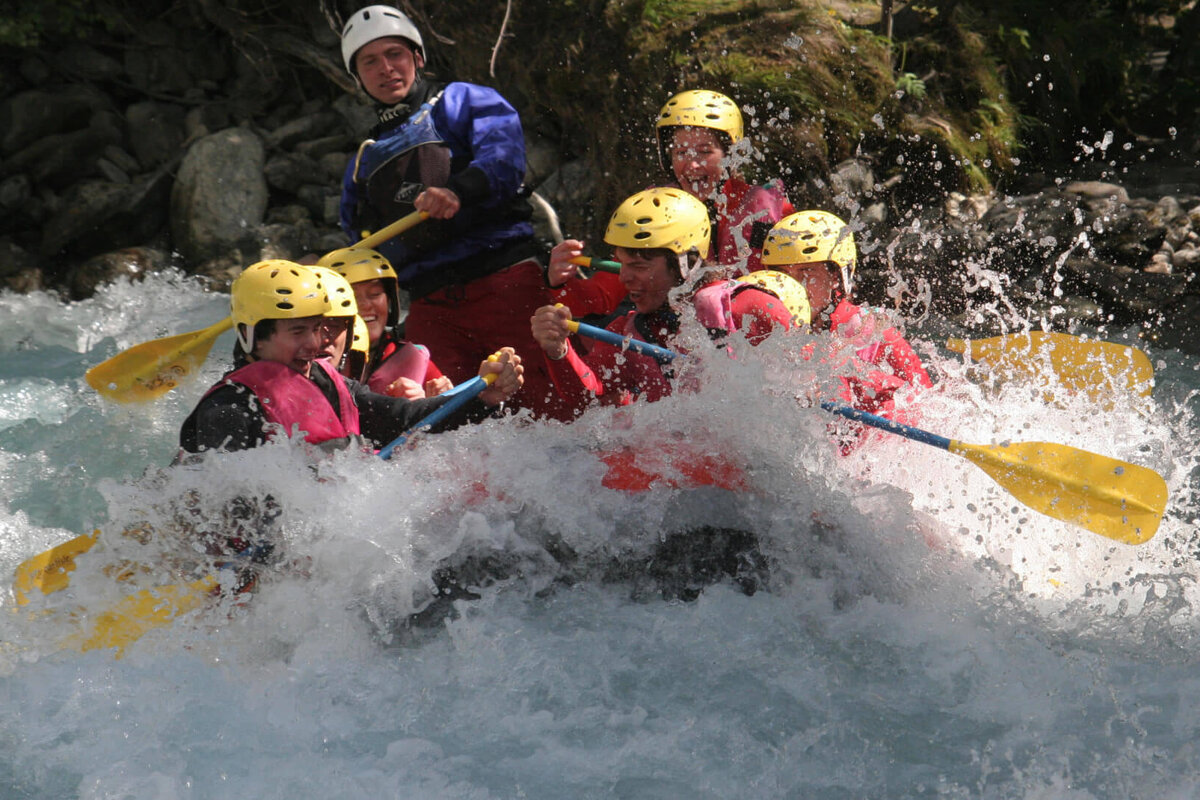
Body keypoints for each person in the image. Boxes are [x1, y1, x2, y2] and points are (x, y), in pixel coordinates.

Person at [337, 5, 569, 420]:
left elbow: (503, 156)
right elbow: (359, 244)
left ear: (417, 57)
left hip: (504, 283)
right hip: (430, 307)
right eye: (369, 61)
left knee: (551, 409)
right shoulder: (364, 161)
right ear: (358, 77)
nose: (385, 68)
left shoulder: (463, 100)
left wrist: (458, 191)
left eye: (395, 54)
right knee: (452, 425)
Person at [178, 260, 523, 456]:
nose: (314, 344)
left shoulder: (329, 382)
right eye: (297, 332)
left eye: (317, 329)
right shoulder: (228, 410)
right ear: (249, 335)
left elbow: (407, 419)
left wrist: (482, 398)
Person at [529, 188, 808, 414]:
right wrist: (558, 350)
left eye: (638, 266)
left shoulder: (750, 306)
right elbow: (586, 394)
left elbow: (809, 389)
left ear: (686, 263)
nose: (624, 278)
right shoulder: (629, 332)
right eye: (622, 263)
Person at [759, 210, 932, 430]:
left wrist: (850, 377)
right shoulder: (764, 324)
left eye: (806, 271)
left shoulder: (873, 329)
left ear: (835, 277)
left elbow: (926, 405)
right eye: (782, 274)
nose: (792, 286)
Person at [656, 89, 794, 275]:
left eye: (705, 152)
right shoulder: (654, 210)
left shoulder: (765, 210)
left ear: (729, 156)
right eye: (681, 153)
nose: (693, 165)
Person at [317, 246, 451, 399]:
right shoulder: (313, 359)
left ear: (389, 300)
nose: (366, 305)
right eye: (352, 297)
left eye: (375, 294)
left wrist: (431, 401)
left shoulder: (413, 358)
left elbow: (451, 410)